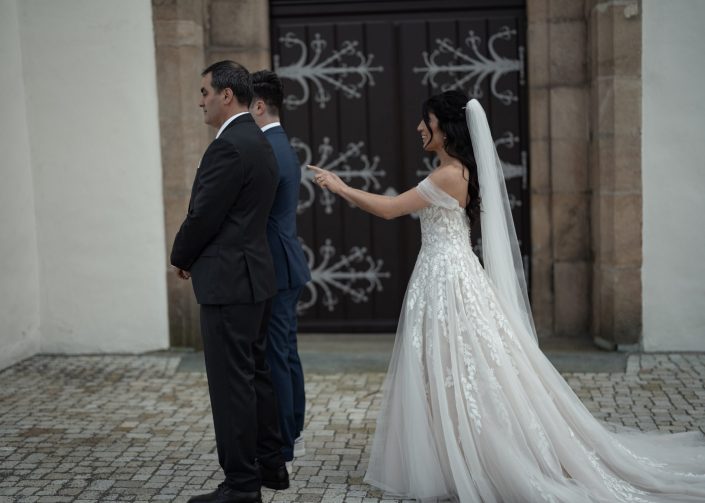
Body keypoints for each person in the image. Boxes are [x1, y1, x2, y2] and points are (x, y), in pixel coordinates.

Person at [309, 91, 705, 502]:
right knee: (453, 366)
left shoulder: (448, 176)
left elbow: (390, 208)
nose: (419, 127)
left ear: (446, 128)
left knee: (459, 367)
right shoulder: (455, 171)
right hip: (446, 274)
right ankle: (454, 451)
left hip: (447, 280)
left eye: (427, 120)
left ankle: (479, 454)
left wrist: (341, 187)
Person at [171, 60, 289, 503]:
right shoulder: (259, 141)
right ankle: (270, 465)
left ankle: (241, 485)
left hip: (228, 281)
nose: (200, 102)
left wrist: (182, 256)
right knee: (255, 374)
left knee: (230, 384)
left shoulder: (228, 147)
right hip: (254, 276)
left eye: (204, 92)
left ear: (226, 94)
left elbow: (205, 214)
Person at [249, 69, 311, 471]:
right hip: (285, 262)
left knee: (277, 355)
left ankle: (285, 444)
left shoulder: (269, 148)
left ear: (258, 106)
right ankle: (293, 433)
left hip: (276, 265)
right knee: (285, 352)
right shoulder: (279, 144)